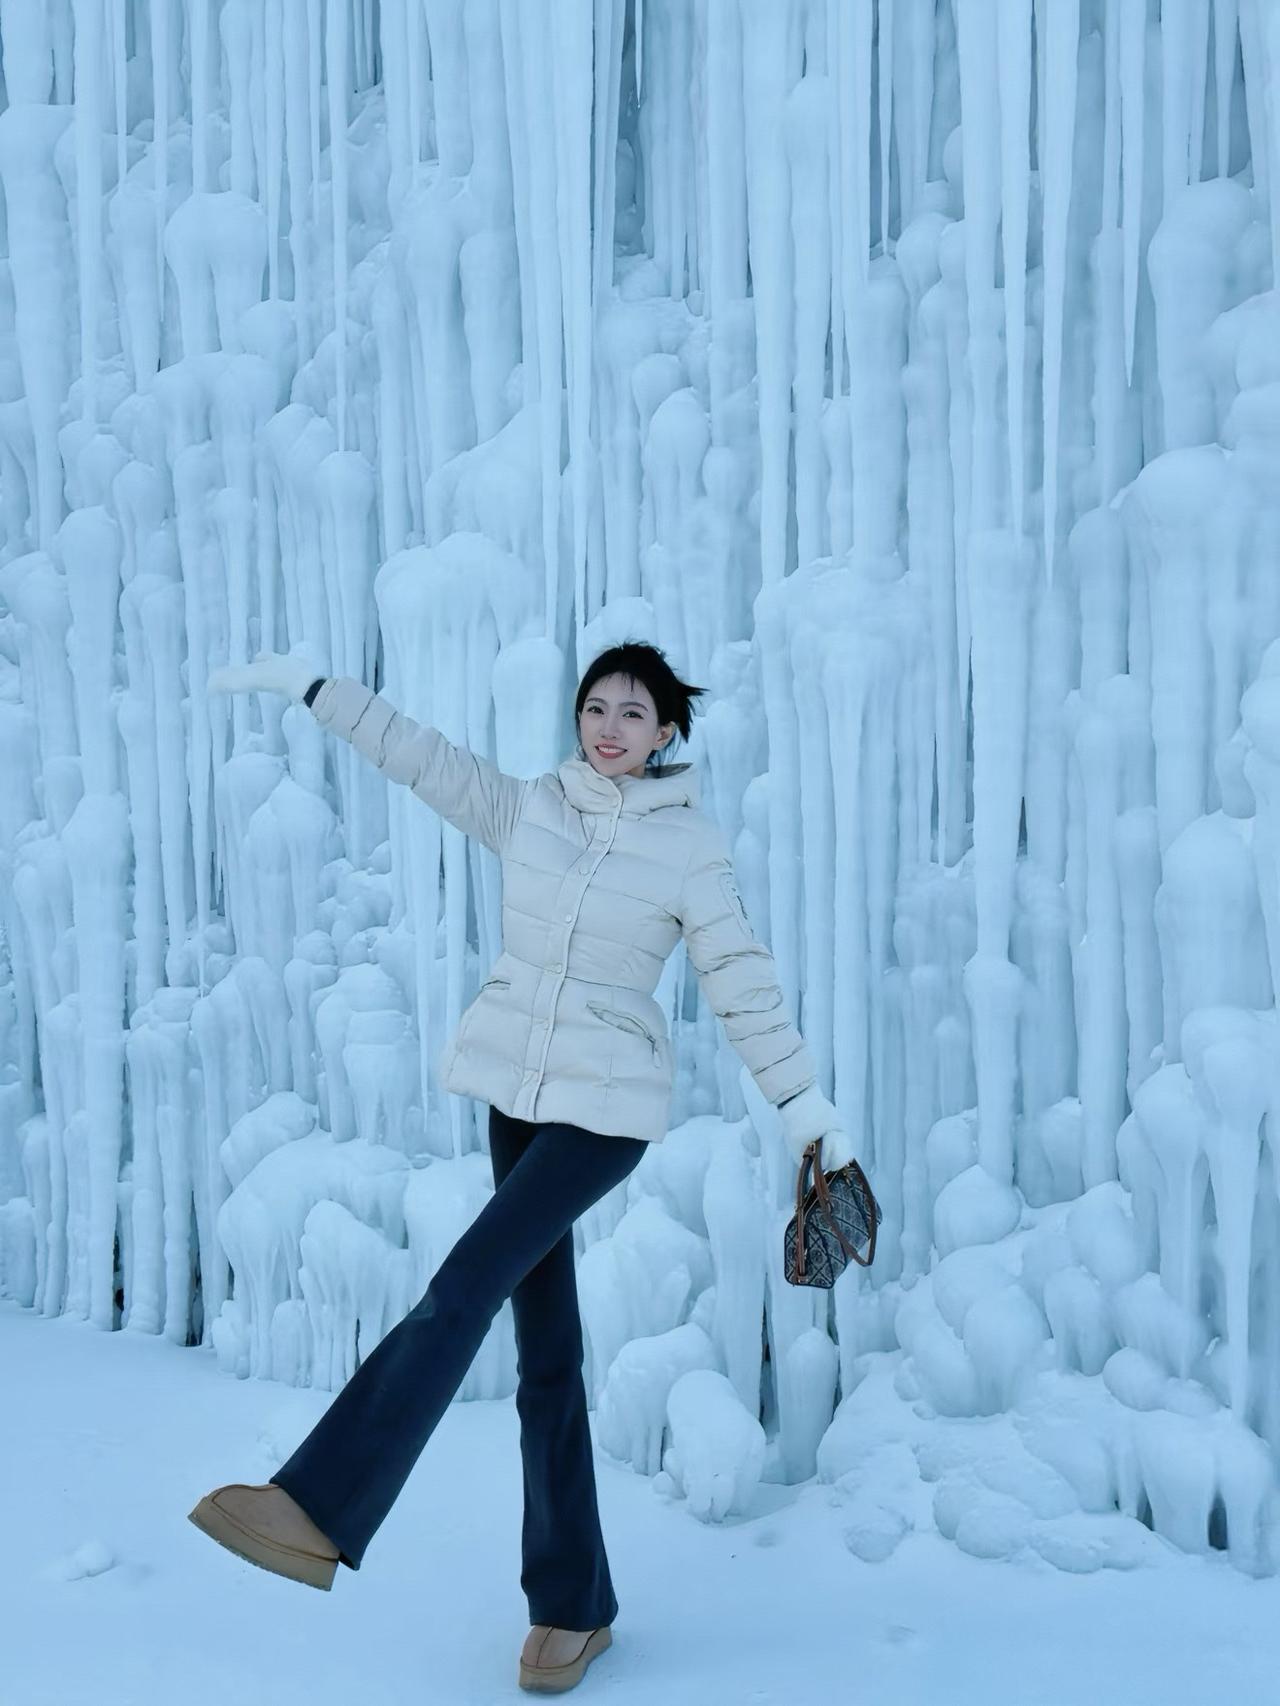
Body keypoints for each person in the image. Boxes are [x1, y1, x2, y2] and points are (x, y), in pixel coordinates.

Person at [190, 638, 855, 1694]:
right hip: (516, 1099)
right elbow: (424, 757)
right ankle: (571, 1606)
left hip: (605, 1113)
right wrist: (319, 691)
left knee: (459, 1288)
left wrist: (801, 1103)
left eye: (633, 712)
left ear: (667, 732)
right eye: (596, 706)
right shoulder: (530, 807)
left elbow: (738, 976)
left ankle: (316, 1504)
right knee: (545, 1358)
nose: (609, 725)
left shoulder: (690, 848)